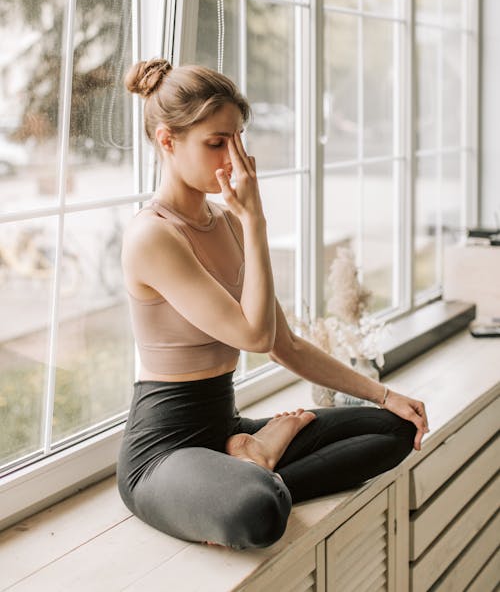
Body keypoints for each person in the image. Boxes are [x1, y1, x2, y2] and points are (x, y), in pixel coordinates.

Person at [117, 59, 429, 550]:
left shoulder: (228, 223)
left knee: (394, 430)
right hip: (165, 451)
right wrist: (256, 220)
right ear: (167, 141)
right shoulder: (152, 235)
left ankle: (252, 461)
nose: (233, 161)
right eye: (216, 143)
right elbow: (254, 338)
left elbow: (285, 345)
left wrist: (385, 396)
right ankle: (255, 472)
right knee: (257, 511)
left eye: (238, 140)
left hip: (226, 427)